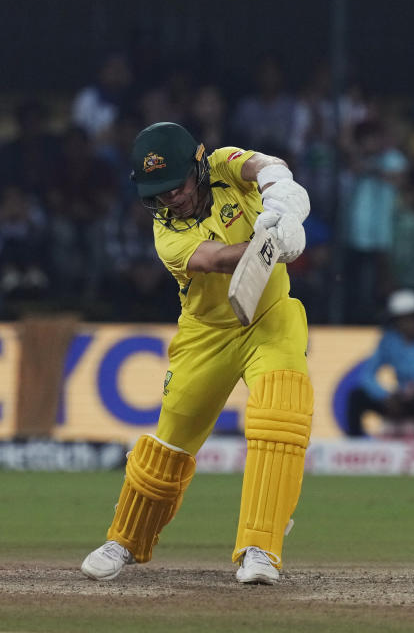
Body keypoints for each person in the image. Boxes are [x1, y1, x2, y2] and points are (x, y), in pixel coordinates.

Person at [80, 122, 314, 585]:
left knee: (280, 417)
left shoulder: (224, 164)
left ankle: (260, 549)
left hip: (270, 318)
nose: (170, 199)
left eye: (177, 185)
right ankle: (124, 540)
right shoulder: (166, 236)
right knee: (169, 445)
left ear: (198, 165)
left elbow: (270, 166)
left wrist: (283, 208)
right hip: (206, 334)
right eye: (158, 192)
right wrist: (272, 243)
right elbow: (218, 260)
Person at [345, 289, 414, 438]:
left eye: (411, 318)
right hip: (398, 399)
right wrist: (384, 396)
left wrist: (412, 391)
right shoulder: (390, 340)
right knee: (356, 396)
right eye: (401, 320)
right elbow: (367, 374)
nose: (407, 324)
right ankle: (355, 445)